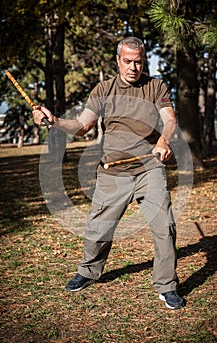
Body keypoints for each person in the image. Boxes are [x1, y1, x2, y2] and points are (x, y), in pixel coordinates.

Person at [33, 37, 185, 310]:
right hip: (113, 172)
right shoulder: (104, 89)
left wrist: (164, 140)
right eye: (127, 61)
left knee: (165, 227)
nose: (133, 67)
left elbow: (170, 119)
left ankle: (167, 285)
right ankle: (89, 271)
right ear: (118, 60)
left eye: (138, 61)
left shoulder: (155, 86)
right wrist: (54, 121)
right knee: (98, 228)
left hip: (148, 169)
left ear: (144, 60)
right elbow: (82, 126)